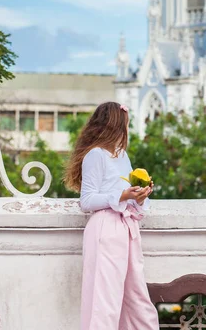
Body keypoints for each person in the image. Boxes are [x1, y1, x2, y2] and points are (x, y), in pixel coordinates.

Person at [64, 101, 160, 330]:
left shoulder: (121, 156)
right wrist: (121, 195)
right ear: (116, 125)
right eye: (126, 124)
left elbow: (124, 196)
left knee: (136, 297)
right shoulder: (95, 155)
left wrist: (140, 196)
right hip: (105, 229)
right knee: (104, 300)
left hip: (126, 228)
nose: (128, 129)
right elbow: (86, 201)